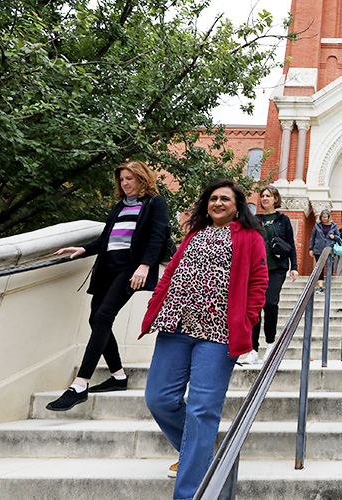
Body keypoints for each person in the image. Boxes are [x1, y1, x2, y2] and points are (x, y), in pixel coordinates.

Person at [141, 179, 268, 500]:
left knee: (202, 411)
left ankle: (191, 494)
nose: (218, 203)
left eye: (225, 198)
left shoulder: (250, 237)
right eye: (213, 198)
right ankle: (210, 463)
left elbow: (259, 282)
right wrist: (158, 299)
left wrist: (247, 319)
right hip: (176, 325)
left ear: (238, 205)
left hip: (218, 332)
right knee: (159, 399)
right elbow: (171, 271)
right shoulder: (194, 233)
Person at [46, 161, 170, 411]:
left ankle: (80, 385)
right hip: (107, 267)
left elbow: (158, 236)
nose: (125, 184)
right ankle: (118, 376)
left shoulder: (155, 203)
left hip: (129, 267)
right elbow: (106, 238)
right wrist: (83, 249)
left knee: (103, 317)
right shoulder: (119, 206)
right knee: (96, 320)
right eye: (122, 179)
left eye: (130, 179)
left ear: (142, 179)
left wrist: (145, 265)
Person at [248, 185, 299, 364]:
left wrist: (295, 266)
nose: (264, 199)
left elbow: (290, 244)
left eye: (268, 196)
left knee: (270, 302)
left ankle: (270, 344)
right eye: (262, 196)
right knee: (254, 306)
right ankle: (253, 349)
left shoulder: (282, 219)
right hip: (256, 268)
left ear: (276, 199)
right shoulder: (255, 220)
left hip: (277, 267)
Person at [309, 208, 340, 292]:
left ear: (329, 217)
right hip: (318, 249)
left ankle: (329, 284)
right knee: (320, 268)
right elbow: (313, 237)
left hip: (330, 249)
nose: (324, 218)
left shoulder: (334, 226)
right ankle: (320, 287)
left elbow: (339, 237)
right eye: (323, 217)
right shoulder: (317, 226)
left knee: (330, 266)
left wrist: (334, 237)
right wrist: (311, 248)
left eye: (326, 217)